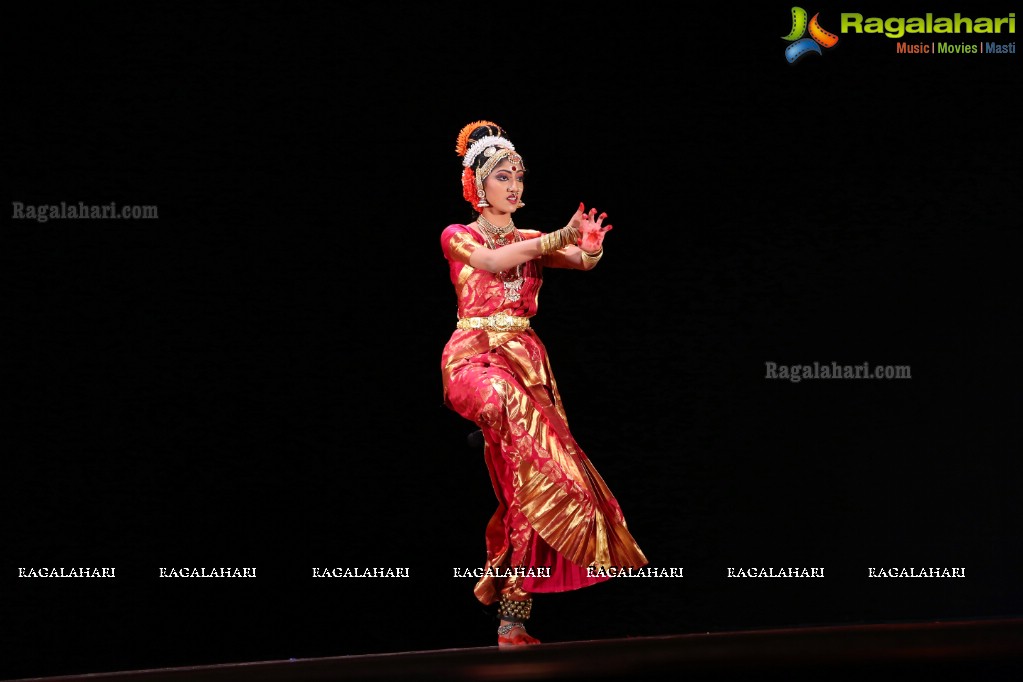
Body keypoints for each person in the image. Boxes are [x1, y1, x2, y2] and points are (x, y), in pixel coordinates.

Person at [440, 120, 648, 647]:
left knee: (532, 485)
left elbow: (579, 260)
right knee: (505, 402)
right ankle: (493, 429)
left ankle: (513, 619)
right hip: (475, 361)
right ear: (478, 186)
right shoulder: (458, 236)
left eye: (519, 177)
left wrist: (593, 246)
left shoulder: (531, 238)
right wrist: (555, 237)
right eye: (503, 177)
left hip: (528, 367)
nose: (514, 186)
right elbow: (491, 260)